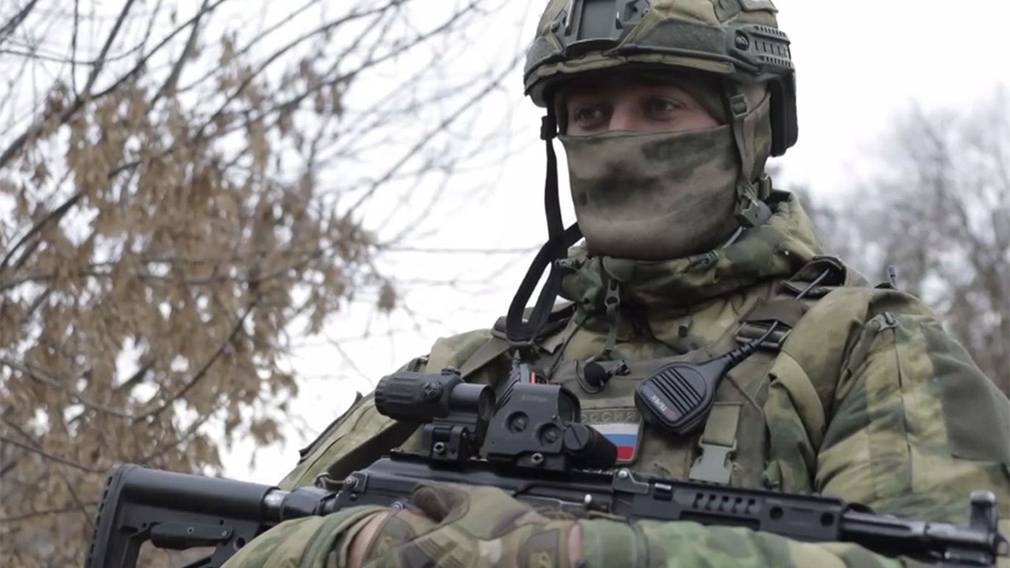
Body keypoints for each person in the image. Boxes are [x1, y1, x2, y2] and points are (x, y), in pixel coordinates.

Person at [225, 1, 1010, 566]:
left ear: (749, 125)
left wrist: (574, 551)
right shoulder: (472, 371)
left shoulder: (864, 350)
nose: (619, 142)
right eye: (591, 116)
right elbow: (243, 538)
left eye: (660, 106)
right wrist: (361, 542)